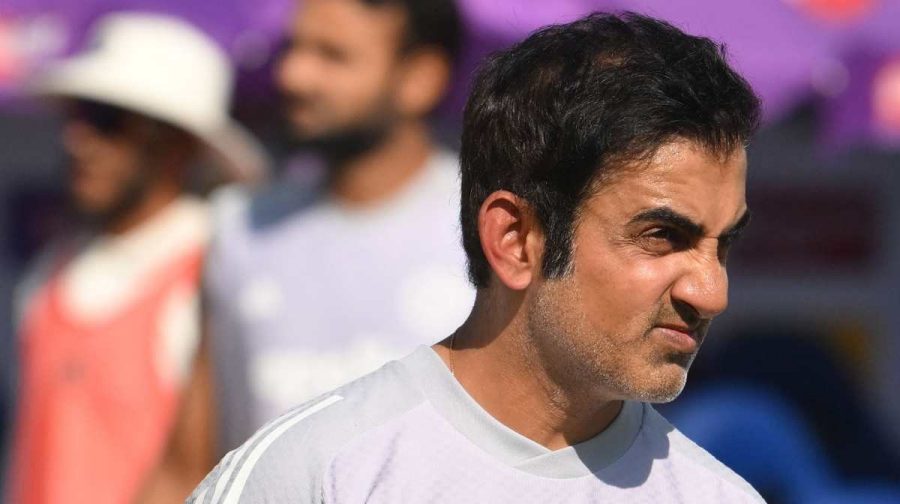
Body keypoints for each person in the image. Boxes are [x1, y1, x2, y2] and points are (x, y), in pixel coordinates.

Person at [189, 11, 765, 503]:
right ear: (515, 241)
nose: (711, 292)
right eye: (661, 235)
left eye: (725, 244)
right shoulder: (315, 475)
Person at [6, 12, 265, 504]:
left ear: (178, 146)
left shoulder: (215, 271)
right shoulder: (50, 271)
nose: (78, 141)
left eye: (109, 121)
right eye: (79, 115)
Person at [202, 0, 470, 452]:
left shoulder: (491, 228)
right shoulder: (239, 226)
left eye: (333, 55)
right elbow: (190, 455)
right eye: (293, 48)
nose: (293, 75)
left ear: (420, 78)